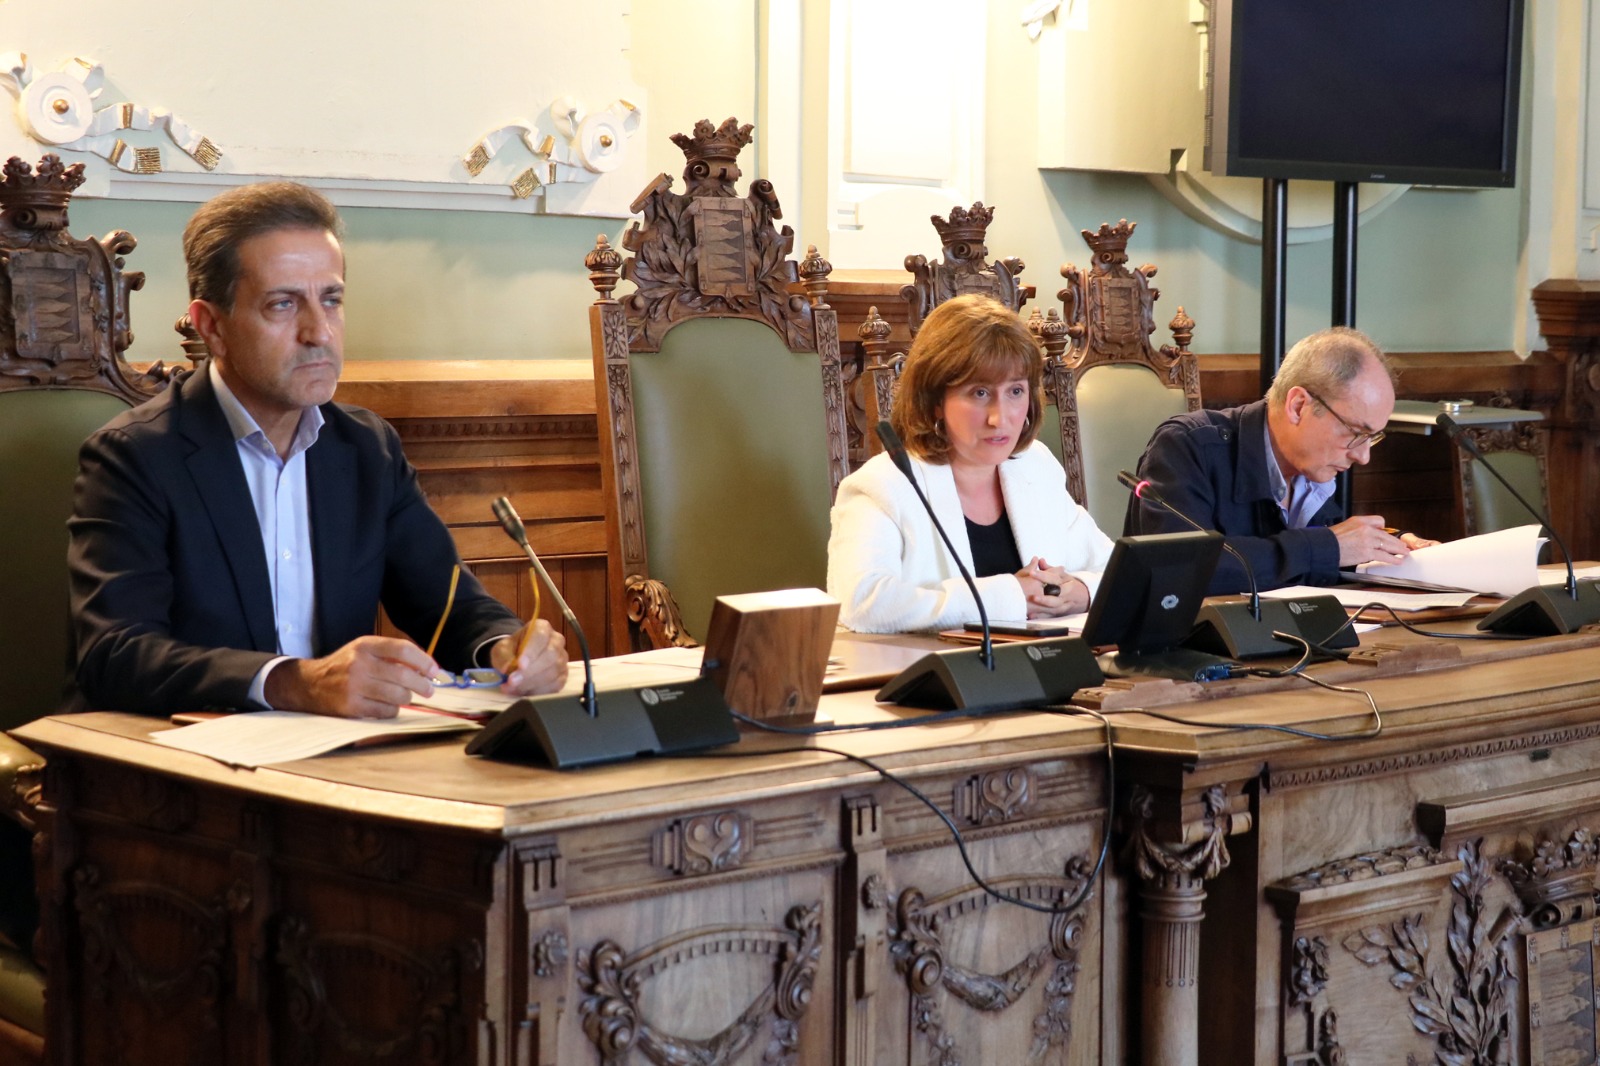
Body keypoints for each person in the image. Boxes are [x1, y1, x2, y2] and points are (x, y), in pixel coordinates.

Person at [68, 181, 568, 718]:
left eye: (331, 300)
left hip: (335, 750)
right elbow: (115, 654)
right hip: (176, 750)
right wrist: (292, 682)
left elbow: (449, 607)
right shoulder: (134, 457)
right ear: (211, 325)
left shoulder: (367, 449)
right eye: (283, 304)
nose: (319, 332)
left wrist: (507, 646)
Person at [828, 293, 1113, 633]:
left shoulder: (1034, 466)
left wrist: (1079, 592)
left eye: (1015, 391)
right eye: (980, 393)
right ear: (935, 401)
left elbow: (1115, 570)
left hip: (1044, 661)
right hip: (932, 665)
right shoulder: (883, 486)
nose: (1000, 418)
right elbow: (861, 602)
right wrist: (1011, 595)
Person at [1125, 325, 1437, 595]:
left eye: (1372, 437)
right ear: (1298, 406)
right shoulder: (1187, 447)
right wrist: (1325, 546)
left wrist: (1388, 546)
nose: (1363, 456)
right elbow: (1181, 570)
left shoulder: (1314, 469)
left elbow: (1325, 554)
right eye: (1356, 433)